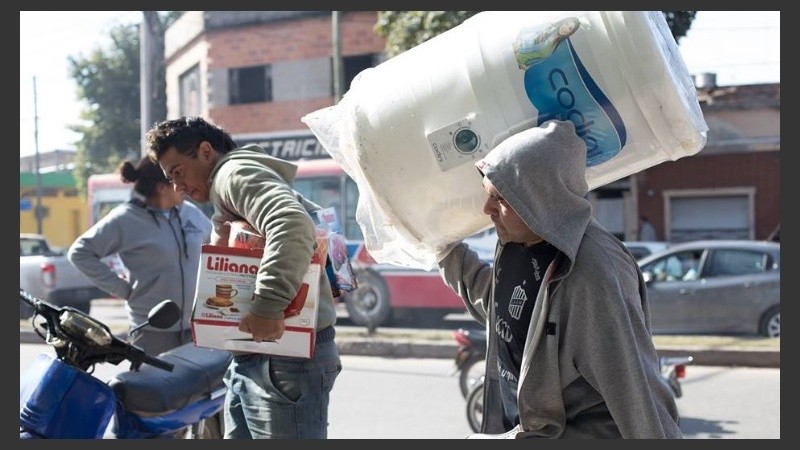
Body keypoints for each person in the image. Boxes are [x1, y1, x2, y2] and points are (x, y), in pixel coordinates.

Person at [436, 120, 682, 438]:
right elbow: (504, 310)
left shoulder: (593, 272)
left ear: (539, 197)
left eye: (500, 199)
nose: (488, 209)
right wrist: (445, 252)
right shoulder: (519, 242)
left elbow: (634, 386)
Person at [145, 116, 341, 439]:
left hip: (282, 360)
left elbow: (291, 223)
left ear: (206, 151)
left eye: (178, 173)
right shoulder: (228, 183)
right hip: (258, 357)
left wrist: (268, 304)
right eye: (170, 180)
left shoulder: (231, 175)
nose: (178, 188)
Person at [68, 156, 212, 355]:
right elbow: (79, 252)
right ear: (161, 187)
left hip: (195, 328)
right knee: (153, 386)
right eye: (177, 182)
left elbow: (217, 243)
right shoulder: (125, 219)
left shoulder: (191, 214)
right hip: (151, 332)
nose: (184, 187)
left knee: (200, 387)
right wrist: (123, 290)